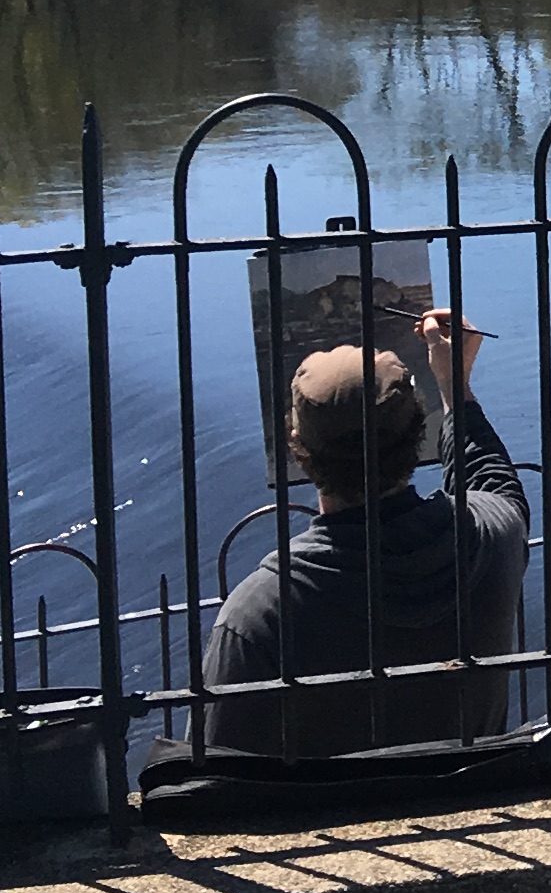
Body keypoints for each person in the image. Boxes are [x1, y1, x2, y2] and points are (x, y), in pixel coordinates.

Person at [200, 306, 530, 755]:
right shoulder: (493, 540)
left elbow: (219, 772)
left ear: (296, 449)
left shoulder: (260, 613)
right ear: (420, 430)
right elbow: (493, 480)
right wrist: (454, 387)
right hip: (478, 806)